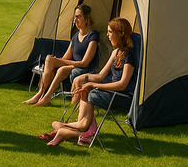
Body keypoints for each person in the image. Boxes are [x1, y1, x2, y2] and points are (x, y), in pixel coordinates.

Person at [38, 17, 137, 147]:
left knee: (89, 93)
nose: (107, 35)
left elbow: (122, 84)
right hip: (108, 91)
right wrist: (84, 78)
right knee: (85, 88)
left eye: (110, 32)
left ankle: (66, 131)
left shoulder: (129, 55)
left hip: (121, 95)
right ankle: (74, 131)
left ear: (121, 34)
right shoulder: (115, 52)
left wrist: (93, 85)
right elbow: (101, 75)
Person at [22, 4, 99, 106]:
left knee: (59, 66)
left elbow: (84, 63)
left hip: (87, 68)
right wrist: (57, 61)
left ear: (86, 19)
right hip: (74, 66)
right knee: (50, 59)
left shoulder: (93, 36)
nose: (75, 20)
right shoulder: (75, 36)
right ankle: (42, 94)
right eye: (74, 17)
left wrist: (60, 61)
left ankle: (44, 95)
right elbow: (66, 57)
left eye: (78, 16)